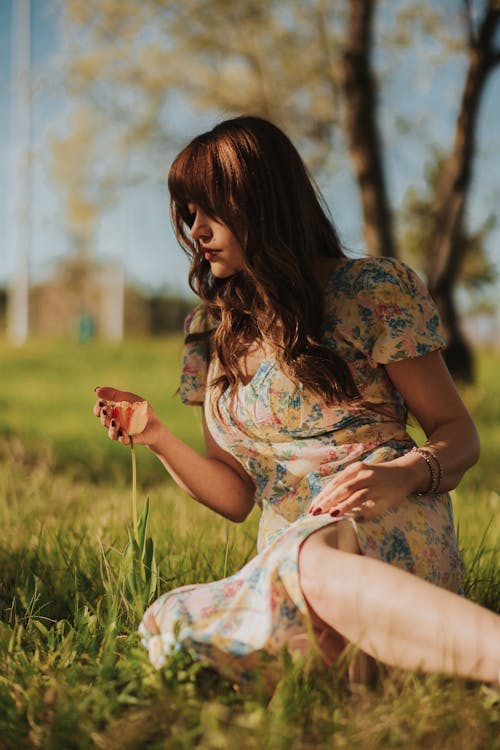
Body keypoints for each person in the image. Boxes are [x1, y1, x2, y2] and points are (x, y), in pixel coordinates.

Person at [94, 116, 499, 692]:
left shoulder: (371, 290)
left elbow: (459, 433)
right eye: (189, 214)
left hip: (387, 522)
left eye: (211, 210)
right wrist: (156, 435)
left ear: (262, 202)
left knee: (312, 564)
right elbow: (236, 495)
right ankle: (395, 658)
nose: (197, 230)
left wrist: (403, 475)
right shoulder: (210, 331)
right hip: (286, 555)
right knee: (173, 624)